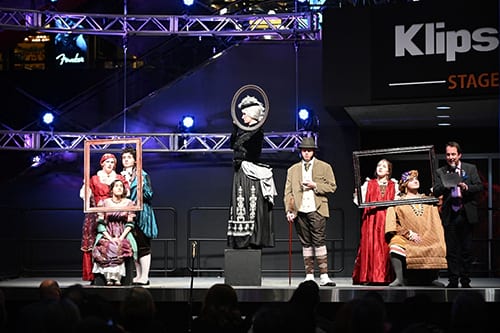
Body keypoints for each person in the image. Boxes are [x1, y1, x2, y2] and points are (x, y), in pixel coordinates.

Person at [284, 136, 337, 286]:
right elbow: (288, 192)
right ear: (301, 152)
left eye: (309, 150)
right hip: (300, 210)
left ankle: (324, 275)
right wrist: (289, 210)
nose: (306, 153)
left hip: (317, 207)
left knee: (319, 241)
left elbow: (332, 186)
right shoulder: (292, 170)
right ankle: (309, 275)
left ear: (313, 151)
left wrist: (315, 185)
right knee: (306, 242)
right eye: (304, 150)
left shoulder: (324, 167)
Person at [227, 95, 277, 249]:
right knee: (239, 202)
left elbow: (251, 150)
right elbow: (232, 145)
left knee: (249, 201)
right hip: (240, 170)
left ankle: (251, 237)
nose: (242, 116)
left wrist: (240, 136)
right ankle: (239, 238)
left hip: (248, 170)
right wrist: (235, 129)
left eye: (244, 114)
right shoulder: (244, 131)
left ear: (251, 114)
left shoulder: (256, 132)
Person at [432, 141, 483, 288]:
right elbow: (436, 190)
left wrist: (466, 187)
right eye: (448, 154)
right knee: (452, 251)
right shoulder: (441, 171)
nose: (451, 157)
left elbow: (479, 186)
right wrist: (446, 184)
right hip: (450, 214)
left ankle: (465, 280)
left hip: (466, 213)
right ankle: (453, 280)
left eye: (453, 154)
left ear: (459, 155)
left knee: (466, 250)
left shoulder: (470, 168)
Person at [385, 170, 447, 287]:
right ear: (404, 184)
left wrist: (438, 198)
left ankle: (432, 278)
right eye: (412, 180)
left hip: (427, 234)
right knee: (395, 245)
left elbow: (437, 214)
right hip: (407, 236)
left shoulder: (427, 199)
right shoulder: (397, 202)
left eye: (416, 179)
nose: (415, 181)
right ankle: (399, 279)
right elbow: (392, 223)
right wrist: (408, 233)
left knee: (437, 243)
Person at [79, 153, 128, 283]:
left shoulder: (118, 177)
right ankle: (93, 275)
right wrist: (86, 186)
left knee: (111, 241)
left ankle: (113, 275)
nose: (110, 165)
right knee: (92, 242)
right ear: (102, 163)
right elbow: (86, 195)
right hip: (96, 212)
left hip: (114, 213)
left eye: (112, 162)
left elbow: (126, 192)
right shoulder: (94, 178)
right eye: (107, 162)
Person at [352, 158, 398, 285]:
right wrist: (358, 195)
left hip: (386, 220)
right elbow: (359, 202)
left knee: (384, 246)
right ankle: (369, 276)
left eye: (384, 166)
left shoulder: (394, 185)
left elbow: (397, 202)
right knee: (370, 245)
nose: (380, 167)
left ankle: (385, 277)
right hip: (371, 220)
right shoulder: (369, 184)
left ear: (389, 171)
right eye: (378, 165)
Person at [121, 147, 158, 286]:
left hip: (142, 214)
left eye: (129, 157)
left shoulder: (142, 175)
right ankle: (138, 275)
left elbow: (149, 195)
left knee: (143, 245)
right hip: (127, 215)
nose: (126, 160)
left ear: (135, 160)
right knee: (133, 246)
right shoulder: (121, 176)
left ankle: (145, 276)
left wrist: (141, 186)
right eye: (124, 158)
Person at [92, 179, 137, 286]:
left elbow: (130, 224)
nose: (119, 188)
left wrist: (121, 237)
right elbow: (100, 223)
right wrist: (109, 237)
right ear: (112, 190)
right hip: (107, 231)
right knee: (107, 245)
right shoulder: (104, 203)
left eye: (121, 186)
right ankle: (108, 277)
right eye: (116, 186)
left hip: (123, 231)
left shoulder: (129, 203)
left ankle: (118, 277)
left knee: (122, 245)